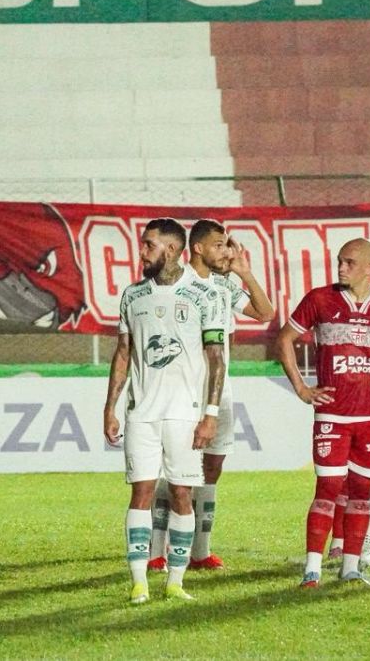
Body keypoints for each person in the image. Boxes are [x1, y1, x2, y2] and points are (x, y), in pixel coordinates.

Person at [277, 239, 370, 588]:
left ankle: (351, 567)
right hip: (332, 416)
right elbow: (284, 340)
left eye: (349, 262)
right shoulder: (319, 299)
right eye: (340, 261)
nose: (341, 268)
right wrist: (301, 388)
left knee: (361, 491)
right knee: (327, 487)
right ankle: (311, 568)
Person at [103, 218, 228, 604]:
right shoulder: (132, 296)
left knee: (181, 494)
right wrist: (111, 407)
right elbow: (122, 353)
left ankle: (176, 581)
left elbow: (216, 360)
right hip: (141, 413)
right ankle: (139, 581)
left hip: (184, 414)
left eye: (149, 245)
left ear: (171, 250)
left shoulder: (203, 296)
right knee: (140, 491)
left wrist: (210, 414)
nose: (142, 252)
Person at [146, 220, 275, 572]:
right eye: (220, 245)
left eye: (228, 246)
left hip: (220, 394)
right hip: (182, 393)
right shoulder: (177, 283)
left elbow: (266, 313)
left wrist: (245, 274)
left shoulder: (223, 285)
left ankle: (200, 551)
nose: (227, 251)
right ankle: (158, 549)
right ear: (199, 248)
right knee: (172, 470)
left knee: (212, 468)